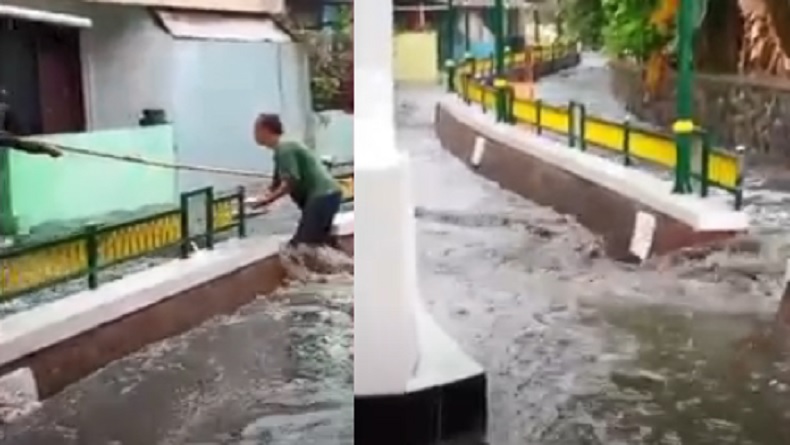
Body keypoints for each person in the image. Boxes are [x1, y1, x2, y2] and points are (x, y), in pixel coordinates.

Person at [250, 113, 343, 249]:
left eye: (256, 130)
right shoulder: (282, 149)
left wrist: (268, 200)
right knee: (321, 242)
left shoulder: (285, 149)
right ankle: (343, 266)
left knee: (300, 246)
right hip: (329, 194)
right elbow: (276, 183)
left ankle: (338, 267)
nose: (254, 134)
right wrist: (262, 197)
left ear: (265, 130)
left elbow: (290, 182)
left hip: (322, 196)